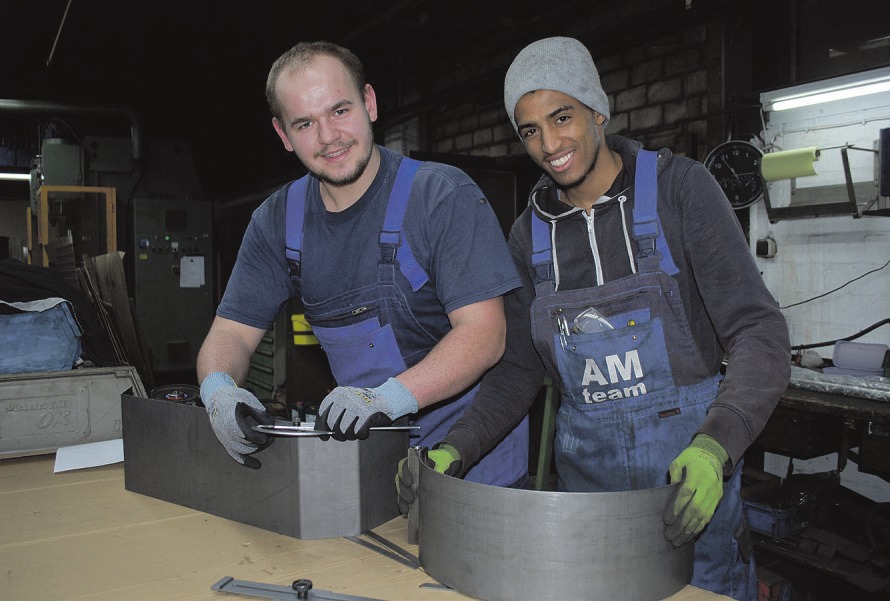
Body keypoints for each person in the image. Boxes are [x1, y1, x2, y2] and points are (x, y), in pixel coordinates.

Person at [398, 37, 790, 601]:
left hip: (690, 498)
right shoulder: (528, 236)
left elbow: (759, 333)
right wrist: (454, 448)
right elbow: (516, 373)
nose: (549, 144)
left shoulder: (680, 191)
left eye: (562, 118)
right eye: (529, 130)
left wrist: (716, 445)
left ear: (598, 112)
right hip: (589, 517)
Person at [196, 40, 529, 490]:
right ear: (283, 135)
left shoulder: (440, 197)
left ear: (369, 103)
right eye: (305, 123)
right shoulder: (277, 222)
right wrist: (217, 390)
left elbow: (485, 334)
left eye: (339, 110)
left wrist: (386, 397)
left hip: (472, 453)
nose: (328, 136)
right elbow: (232, 331)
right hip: (372, 452)